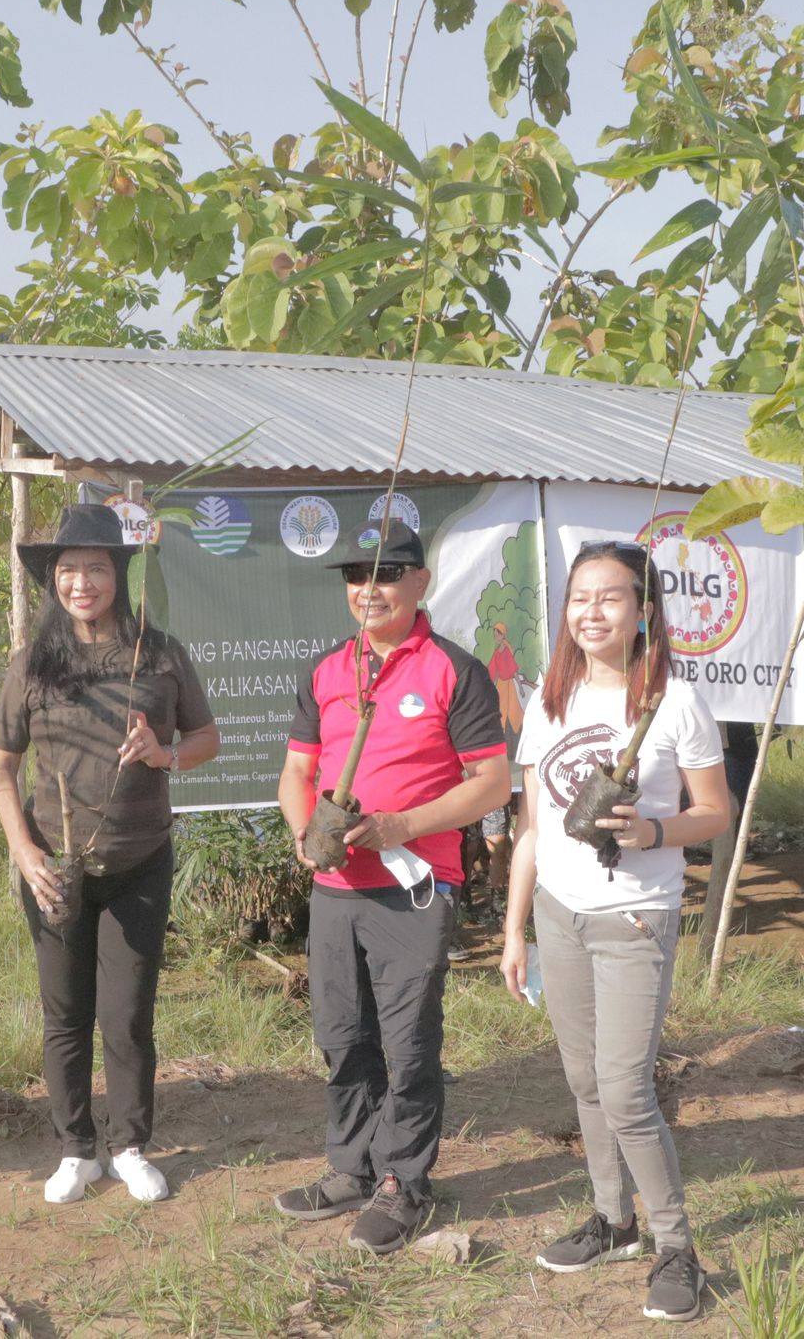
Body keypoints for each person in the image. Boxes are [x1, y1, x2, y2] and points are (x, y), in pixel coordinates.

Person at [498, 540, 729, 1323]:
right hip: (560, 917)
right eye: (579, 598)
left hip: (635, 920)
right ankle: (613, 1218)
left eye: (610, 598)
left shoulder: (673, 701)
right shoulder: (549, 698)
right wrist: (515, 929)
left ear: (643, 611)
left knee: (628, 1088)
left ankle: (676, 1247)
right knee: (584, 1081)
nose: (591, 613)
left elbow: (716, 813)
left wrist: (654, 834)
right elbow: (532, 827)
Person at [273, 517, 509, 1254]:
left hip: (413, 888)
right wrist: (301, 831)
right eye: (354, 576)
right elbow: (297, 772)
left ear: (419, 582)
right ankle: (351, 1166)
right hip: (337, 889)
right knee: (341, 1038)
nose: (366, 589)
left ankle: (404, 1183)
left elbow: (492, 782)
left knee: (407, 1044)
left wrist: (402, 826)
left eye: (383, 573)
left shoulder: (452, 670)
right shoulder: (327, 671)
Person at [0, 504, 220, 1205]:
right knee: (65, 1013)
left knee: (126, 1014)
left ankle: (128, 1146)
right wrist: (23, 849)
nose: (81, 583)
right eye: (67, 571)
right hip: (54, 868)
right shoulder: (33, 661)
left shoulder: (162, 654)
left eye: (95, 568)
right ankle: (74, 1149)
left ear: (119, 573)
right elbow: (1, 763)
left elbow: (207, 739)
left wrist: (165, 752)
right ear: (52, 581)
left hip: (138, 860)